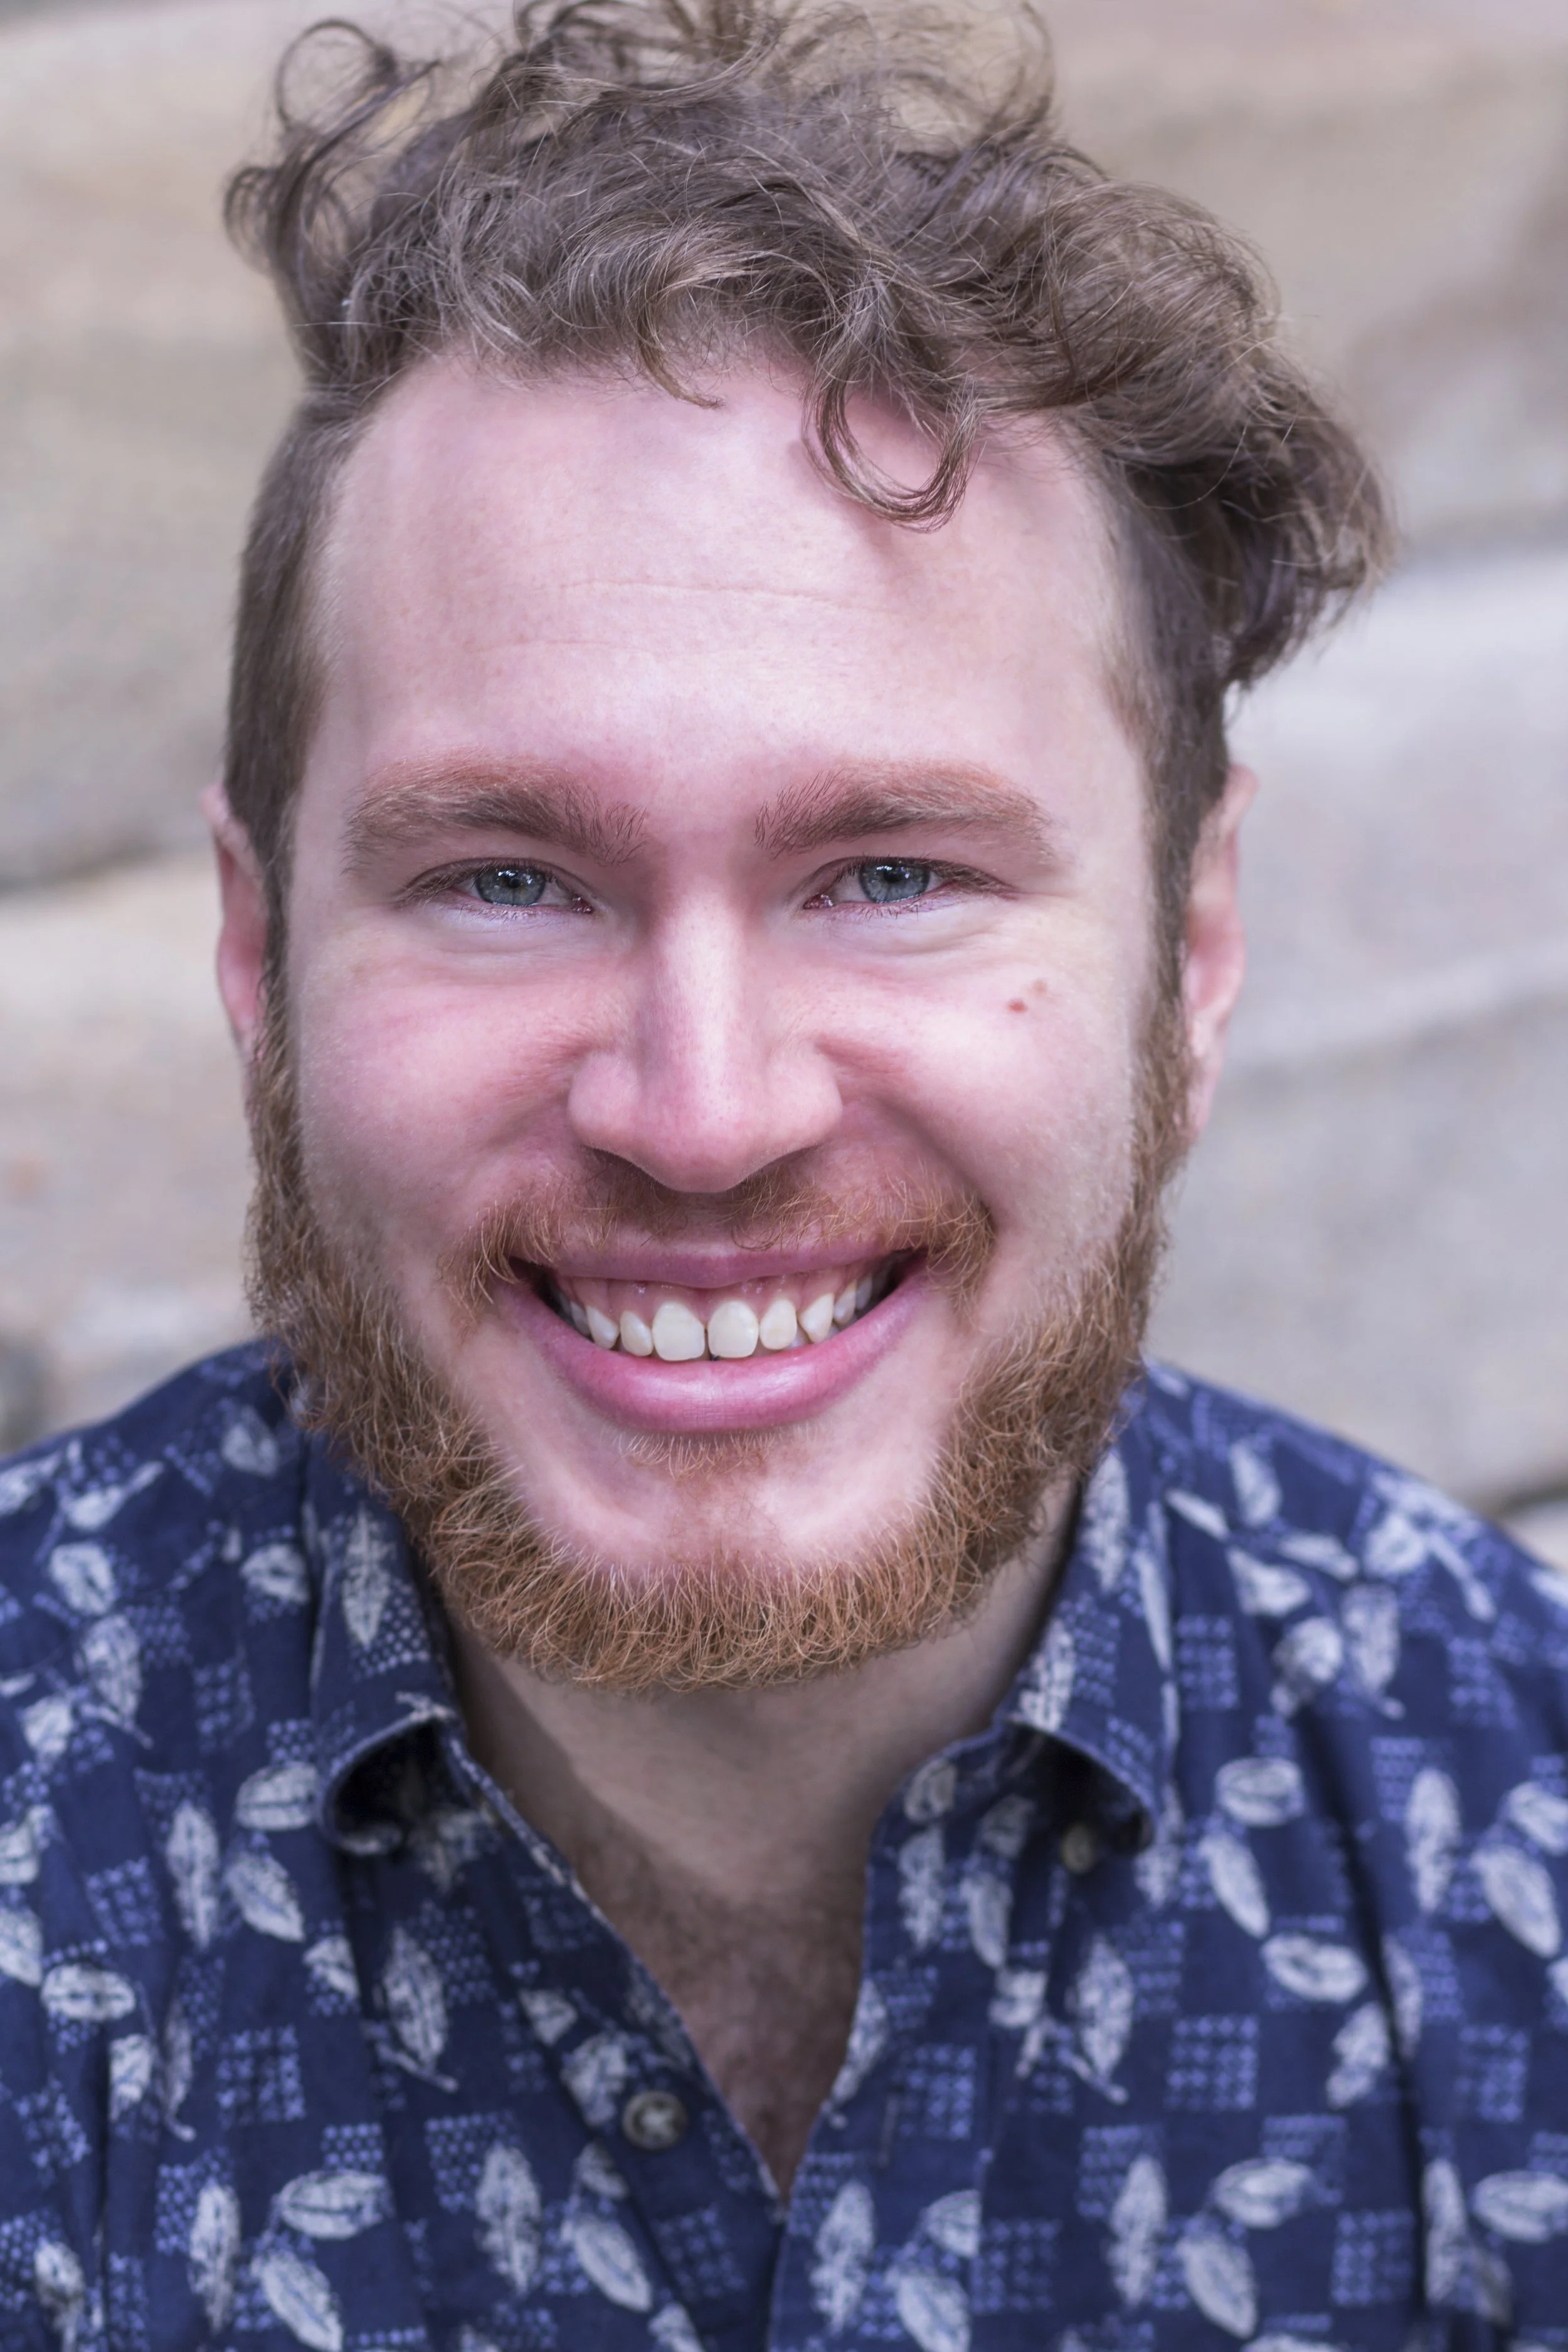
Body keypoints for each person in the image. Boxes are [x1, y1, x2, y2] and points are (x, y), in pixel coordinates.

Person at [1, 1, 1564, 2343]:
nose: (704, 1109)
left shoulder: (1511, 1831)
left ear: (1195, 944)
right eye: (508, 877)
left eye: (893, 871)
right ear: (258, 948)